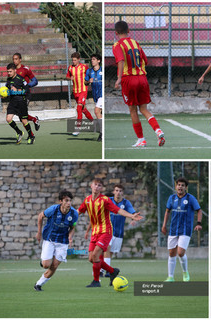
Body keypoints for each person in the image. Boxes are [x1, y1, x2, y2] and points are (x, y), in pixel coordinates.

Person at [78, 178, 143, 288]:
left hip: (105, 232)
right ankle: (112, 271)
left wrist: (132, 216)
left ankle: (96, 281)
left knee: (96, 255)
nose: (97, 187)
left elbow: (118, 210)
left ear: (101, 188)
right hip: (95, 233)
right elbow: (78, 212)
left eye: (99, 185)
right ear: (91, 186)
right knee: (91, 258)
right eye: (95, 184)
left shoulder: (105, 200)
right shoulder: (87, 200)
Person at [112, 20, 165, 148]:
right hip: (142, 78)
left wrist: (119, 78)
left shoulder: (117, 45)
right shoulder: (136, 43)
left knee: (133, 110)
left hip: (129, 80)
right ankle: (158, 131)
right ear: (129, 31)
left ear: (116, 33)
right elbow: (145, 61)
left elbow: (120, 60)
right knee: (144, 109)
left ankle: (141, 139)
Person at [34, 190, 78, 291]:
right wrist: (39, 232)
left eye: (70, 201)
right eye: (66, 201)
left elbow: (72, 227)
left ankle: (38, 284)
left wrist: (70, 237)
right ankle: (44, 261)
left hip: (63, 242)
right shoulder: (53, 209)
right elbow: (40, 216)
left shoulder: (74, 213)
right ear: (60, 201)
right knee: (46, 265)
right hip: (50, 239)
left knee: (54, 265)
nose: (69, 203)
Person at [161, 177, 203, 282]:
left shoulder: (190, 198)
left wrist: (198, 223)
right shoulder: (171, 198)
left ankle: (185, 272)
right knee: (171, 253)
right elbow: (167, 212)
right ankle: (170, 277)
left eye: (182, 185)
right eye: (179, 185)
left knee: (180, 252)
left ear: (186, 187)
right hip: (173, 229)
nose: (180, 187)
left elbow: (199, 210)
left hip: (185, 230)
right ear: (176, 186)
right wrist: (164, 225)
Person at [4, 63, 35, 144]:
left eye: (10, 71)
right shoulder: (8, 80)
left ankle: (31, 136)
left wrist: (17, 90)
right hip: (13, 102)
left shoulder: (21, 79)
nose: (9, 73)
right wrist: (4, 95)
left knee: (24, 120)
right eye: (8, 72)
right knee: (8, 119)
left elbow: (26, 90)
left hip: (21, 102)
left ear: (15, 70)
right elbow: (8, 91)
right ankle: (19, 132)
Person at [66, 52, 94, 136]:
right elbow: (67, 76)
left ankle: (77, 128)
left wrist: (89, 81)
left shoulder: (84, 67)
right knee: (83, 110)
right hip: (75, 91)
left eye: (75, 60)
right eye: (72, 60)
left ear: (79, 59)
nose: (73, 62)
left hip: (83, 90)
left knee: (78, 108)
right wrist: (69, 78)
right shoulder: (70, 68)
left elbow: (90, 75)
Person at [12, 52, 40, 131]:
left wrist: (27, 86)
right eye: (13, 59)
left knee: (22, 116)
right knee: (21, 116)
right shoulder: (12, 70)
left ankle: (30, 135)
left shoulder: (25, 69)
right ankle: (34, 120)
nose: (14, 61)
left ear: (20, 60)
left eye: (16, 59)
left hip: (25, 94)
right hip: (16, 95)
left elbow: (35, 81)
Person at [85, 53, 102, 142]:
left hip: (101, 94)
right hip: (95, 95)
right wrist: (88, 81)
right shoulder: (89, 71)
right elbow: (85, 82)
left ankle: (102, 133)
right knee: (99, 113)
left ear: (98, 61)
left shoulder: (102, 70)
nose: (92, 61)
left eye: (94, 59)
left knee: (96, 111)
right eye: (91, 59)